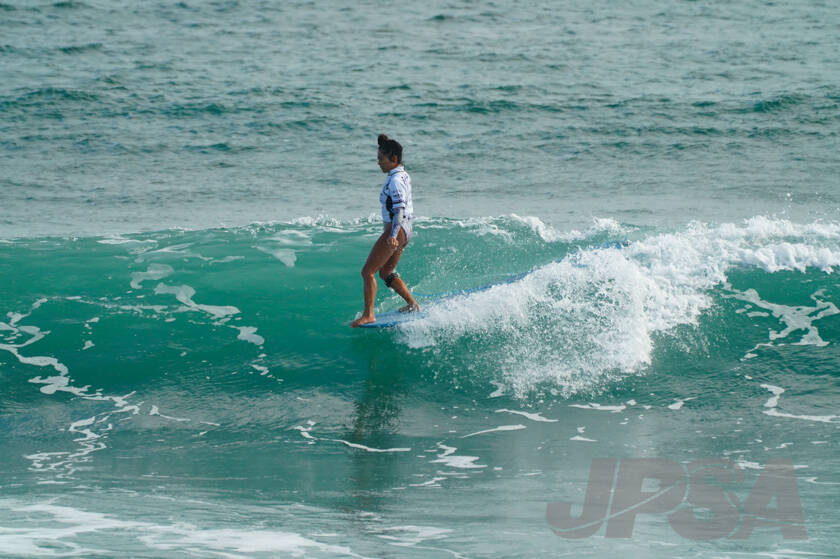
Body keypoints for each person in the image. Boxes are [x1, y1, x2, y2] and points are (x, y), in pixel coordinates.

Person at [350, 134, 421, 327]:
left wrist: (392, 235)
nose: (378, 163)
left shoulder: (395, 181)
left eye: (381, 159)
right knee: (386, 271)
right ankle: (413, 304)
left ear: (394, 158)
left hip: (397, 229)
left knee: (368, 272)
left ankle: (368, 314)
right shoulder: (402, 174)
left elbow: (399, 210)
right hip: (406, 228)